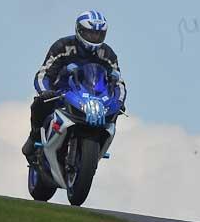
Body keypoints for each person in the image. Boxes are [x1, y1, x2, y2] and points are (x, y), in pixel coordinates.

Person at [22, 10, 127, 163]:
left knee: (115, 112)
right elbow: (43, 73)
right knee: (39, 104)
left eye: (98, 34)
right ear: (79, 30)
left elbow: (118, 81)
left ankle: (99, 145)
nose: (95, 37)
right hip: (62, 94)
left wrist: (119, 101)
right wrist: (45, 92)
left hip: (95, 100)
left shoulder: (108, 54)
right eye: (90, 33)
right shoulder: (63, 46)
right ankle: (34, 137)